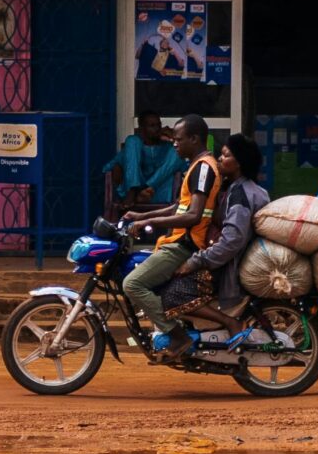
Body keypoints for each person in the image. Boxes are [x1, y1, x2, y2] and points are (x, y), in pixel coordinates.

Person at [157, 132, 272, 351]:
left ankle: (230, 323)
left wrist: (196, 261)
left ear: (239, 163)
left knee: (171, 293)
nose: (219, 158)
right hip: (223, 260)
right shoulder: (236, 188)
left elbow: (232, 240)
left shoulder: (241, 194)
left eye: (226, 155)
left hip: (227, 266)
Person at [118, 114, 221, 355]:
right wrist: (140, 216)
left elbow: (193, 215)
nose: (174, 143)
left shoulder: (204, 168)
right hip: (177, 241)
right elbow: (179, 207)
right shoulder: (196, 166)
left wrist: (150, 221)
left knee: (132, 284)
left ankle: (176, 335)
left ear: (194, 139)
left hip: (185, 244)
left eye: (179, 139)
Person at [101, 112, 182, 218]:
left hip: (156, 192)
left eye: (159, 125)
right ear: (142, 129)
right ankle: (134, 189)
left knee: (177, 150)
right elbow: (109, 167)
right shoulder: (133, 146)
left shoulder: (167, 147)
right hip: (133, 194)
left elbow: (182, 165)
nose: (157, 129)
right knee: (132, 140)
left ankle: (145, 188)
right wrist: (119, 169)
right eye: (152, 126)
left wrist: (174, 139)